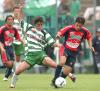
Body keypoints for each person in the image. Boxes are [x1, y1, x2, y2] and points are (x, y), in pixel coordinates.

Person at [10, 16, 60, 88]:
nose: (40, 26)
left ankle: (69, 75)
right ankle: (12, 84)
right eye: (38, 25)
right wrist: (18, 12)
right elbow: (19, 19)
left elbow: (52, 43)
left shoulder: (45, 33)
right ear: (35, 24)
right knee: (18, 71)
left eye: (41, 25)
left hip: (40, 54)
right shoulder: (29, 28)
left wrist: (58, 45)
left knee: (55, 65)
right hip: (30, 55)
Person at [52, 17, 94, 88]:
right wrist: (58, 37)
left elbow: (89, 37)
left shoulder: (85, 31)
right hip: (65, 48)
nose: (78, 27)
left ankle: (58, 83)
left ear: (82, 25)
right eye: (77, 25)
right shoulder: (69, 28)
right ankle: (55, 80)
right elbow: (59, 33)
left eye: (80, 26)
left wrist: (90, 46)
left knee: (66, 71)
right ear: (75, 23)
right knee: (62, 62)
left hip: (74, 53)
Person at [0, 15, 24, 81]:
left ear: (13, 21)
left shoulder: (14, 29)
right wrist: (1, 47)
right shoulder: (2, 28)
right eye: (9, 19)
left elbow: (18, 37)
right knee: (8, 63)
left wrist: (24, 42)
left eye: (11, 19)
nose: (10, 21)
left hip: (10, 47)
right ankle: (8, 70)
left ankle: (6, 77)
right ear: (6, 21)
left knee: (12, 63)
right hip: (3, 48)